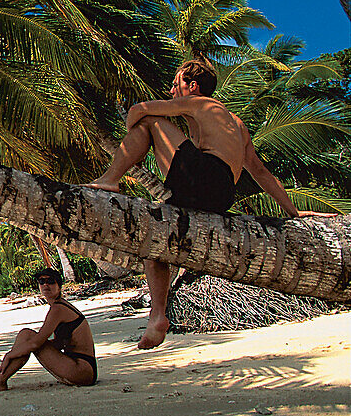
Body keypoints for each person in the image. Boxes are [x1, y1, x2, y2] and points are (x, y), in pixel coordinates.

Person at [85, 59, 323, 349]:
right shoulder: (237, 125)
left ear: (192, 87)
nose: (173, 91)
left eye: (176, 84)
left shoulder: (201, 104)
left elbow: (140, 110)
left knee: (150, 122)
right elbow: (260, 173)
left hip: (203, 177)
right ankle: (157, 316)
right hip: (220, 196)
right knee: (154, 239)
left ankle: (109, 179)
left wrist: (132, 128)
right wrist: (293, 211)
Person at [0, 268, 96, 393]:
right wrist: (23, 350)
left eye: (51, 281)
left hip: (81, 371)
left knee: (27, 335)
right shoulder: (59, 306)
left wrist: (10, 355)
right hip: (81, 369)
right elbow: (58, 344)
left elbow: (35, 343)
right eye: (42, 281)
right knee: (26, 336)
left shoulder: (58, 309)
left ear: (59, 287)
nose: (45, 285)